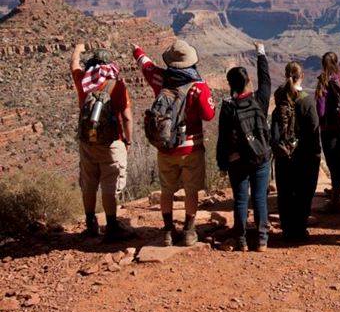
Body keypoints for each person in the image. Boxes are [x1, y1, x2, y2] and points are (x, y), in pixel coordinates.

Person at [133, 40, 215, 246]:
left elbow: (146, 65)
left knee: (167, 190)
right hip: (191, 149)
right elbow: (209, 115)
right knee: (191, 191)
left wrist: (137, 50)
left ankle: (168, 231)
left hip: (166, 147)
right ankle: (189, 230)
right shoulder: (199, 86)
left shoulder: (161, 78)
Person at [71, 44, 134, 242]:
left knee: (89, 184)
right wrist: (128, 141)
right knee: (110, 184)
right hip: (111, 143)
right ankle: (112, 225)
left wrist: (78, 49)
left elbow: (73, 65)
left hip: (87, 143)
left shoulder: (84, 81)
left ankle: (90, 224)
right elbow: (127, 118)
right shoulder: (117, 85)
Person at [216, 42, 271, 252]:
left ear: (231, 85)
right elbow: (265, 79)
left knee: (240, 200)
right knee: (259, 198)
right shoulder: (260, 100)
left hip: (237, 160)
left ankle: (241, 240)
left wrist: (222, 163)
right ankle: (262, 240)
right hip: (260, 156)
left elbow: (223, 138)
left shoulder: (228, 107)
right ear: (248, 81)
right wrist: (261, 53)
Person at [272, 62, 321, 241]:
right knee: (303, 192)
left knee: (285, 191)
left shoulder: (279, 95)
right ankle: (299, 229)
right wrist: (316, 154)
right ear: (303, 75)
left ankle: (287, 229)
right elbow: (314, 129)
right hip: (304, 155)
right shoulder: (307, 100)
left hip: (283, 154)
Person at [316, 33, 340, 213]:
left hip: (328, 128)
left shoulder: (324, 82)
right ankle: (337, 191)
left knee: (332, 161)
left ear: (324, 65)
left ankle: (335, 199)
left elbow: (321, 111)